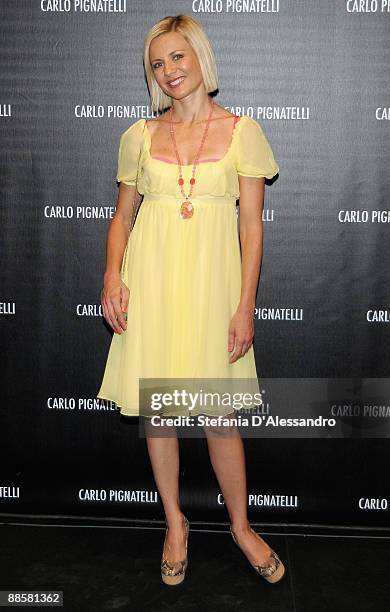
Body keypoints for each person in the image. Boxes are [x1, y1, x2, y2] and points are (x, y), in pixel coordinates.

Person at [97, 14, 284, 585]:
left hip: (212, 288)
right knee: (160, 415)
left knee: (218, 415)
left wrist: (244, 305)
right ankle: (174, 524)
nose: (169, 71)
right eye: (157, 63)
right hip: (149, 283)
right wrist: (111, 276)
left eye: (177, 56)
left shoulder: (242, 131)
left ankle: (242, 527)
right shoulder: (138, 136)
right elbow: (122, 216)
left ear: (200, 57)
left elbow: (251, 228)